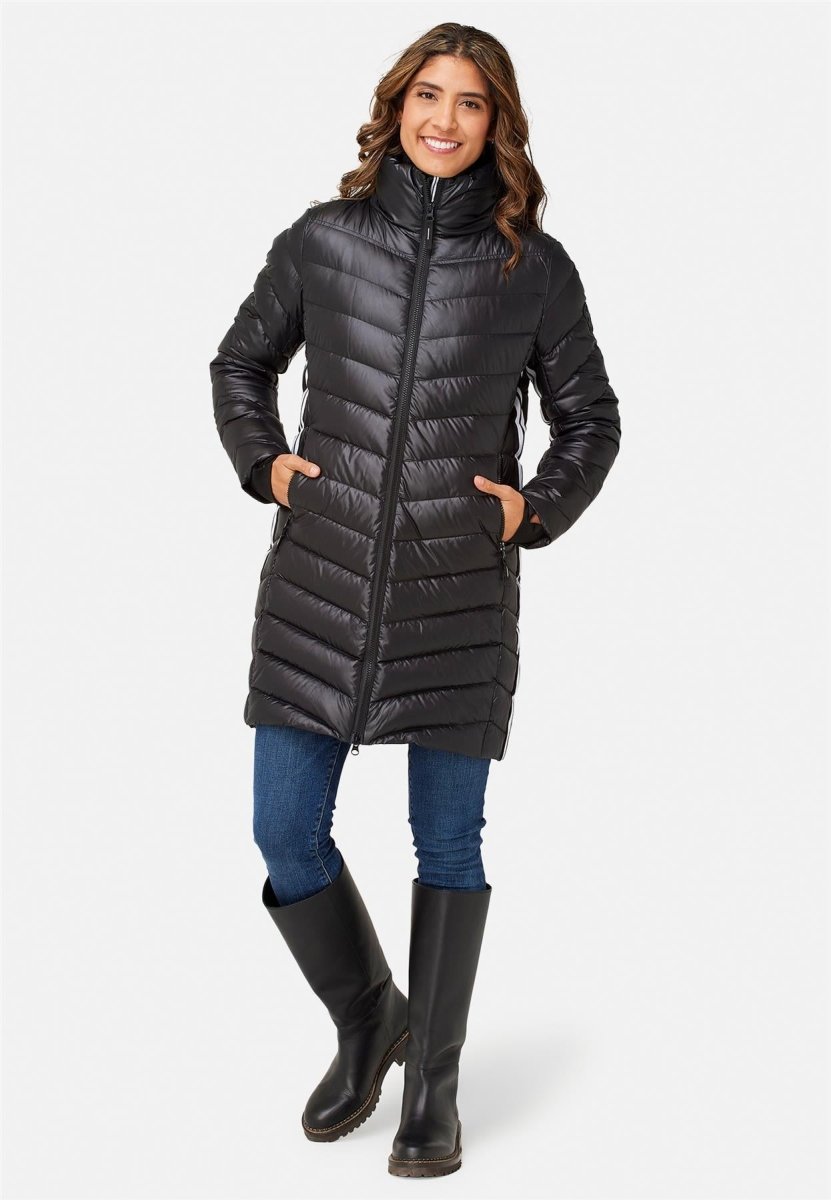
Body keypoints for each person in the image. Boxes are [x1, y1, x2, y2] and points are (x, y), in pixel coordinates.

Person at [209, 22, 621, 1179]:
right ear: (395, 108)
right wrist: (267, 464)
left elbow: (592, 419)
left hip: (458, 598)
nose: (445, 119)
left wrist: (530, 509)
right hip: (318, 584)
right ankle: (369, 1019)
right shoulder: (323, 241)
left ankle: (433, 1083)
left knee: (447, 840)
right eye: (428, 96)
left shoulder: (533, 268)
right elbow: (240, 363)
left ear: (499, 125)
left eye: (471, 103)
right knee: (285, 830)